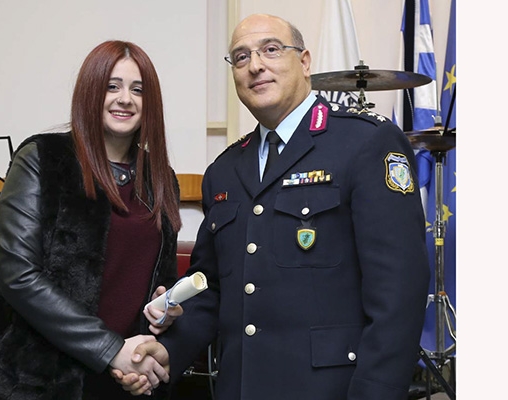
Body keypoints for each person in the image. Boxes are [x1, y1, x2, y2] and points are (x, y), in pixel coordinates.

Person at [115, 13, 431, 400]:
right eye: (241, 56)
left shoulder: (365, 142)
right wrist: (168, 352)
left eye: (271, 49)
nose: (255, 65)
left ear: (305, 61)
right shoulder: (224, 171)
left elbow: (399, 293)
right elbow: (209, 289)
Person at [0, 40, 183, 400]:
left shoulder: (161, 177)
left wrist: (165, 310)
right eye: (112, 86)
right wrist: (109, 348)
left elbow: (159, 280)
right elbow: (17, 275)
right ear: (90, 91)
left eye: (138, 90)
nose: (125, 99)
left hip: (126, 375)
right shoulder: (41, 158)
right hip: (40, 379)